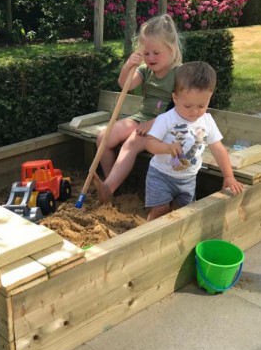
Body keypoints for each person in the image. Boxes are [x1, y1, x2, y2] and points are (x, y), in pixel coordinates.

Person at [93, 14, 182, 204]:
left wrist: (155, 123)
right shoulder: (144, 70)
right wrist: (128, 66)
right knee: (103, 137)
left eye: (156, 53)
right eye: (146, 53)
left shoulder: (179, 74)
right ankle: (112, 184)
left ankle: (108, 188)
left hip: (167, 125)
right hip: (142, 119)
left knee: (132, 142)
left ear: (172, 49)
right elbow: (125, 83)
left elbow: (183, 110)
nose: (150, 58)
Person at [144, 61, 243, 222]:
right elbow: (149, 143)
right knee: (160, 209)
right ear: (175, 98)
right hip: (161, 175)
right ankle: (146, 234)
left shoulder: (207, 121)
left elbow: (218, 149)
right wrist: (167, 148)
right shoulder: (166, 119)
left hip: (188, 178)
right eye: (188, 105)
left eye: (202, 105)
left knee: (183, 213)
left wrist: (229, 176)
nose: (195, 112)